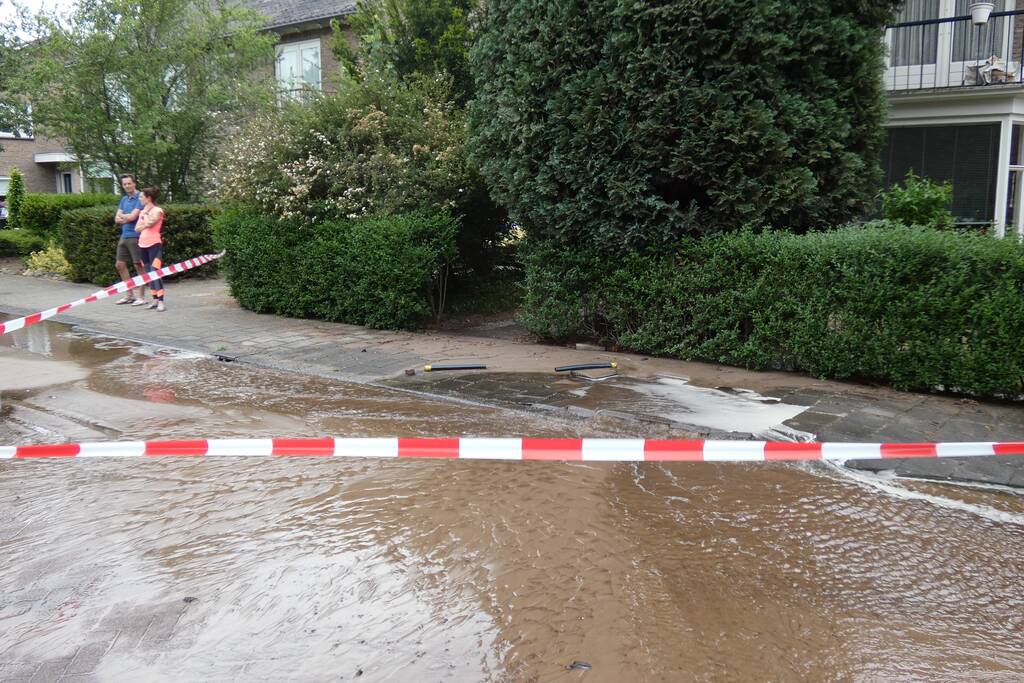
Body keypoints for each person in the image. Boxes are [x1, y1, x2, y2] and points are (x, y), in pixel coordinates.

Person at [113, 174, 147, 306]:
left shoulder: (140, 198)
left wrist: (124, 216)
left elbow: (133, 217)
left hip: (136, 236)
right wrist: (125, 217)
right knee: (119, 265)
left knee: (138, 265)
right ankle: (129, 294)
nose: (127, 186)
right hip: (124, 236)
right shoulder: (124, 199)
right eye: (124, 184)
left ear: (134, 183)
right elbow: (117, 219)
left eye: (129, 183)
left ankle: (141, 297)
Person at [136, 186, 166, 311]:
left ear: (148, 198)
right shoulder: (142, 212)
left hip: (154, 244)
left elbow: (151, 223)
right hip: (142, 244)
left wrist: (145, 220)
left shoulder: (158, 210)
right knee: (148, 272)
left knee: (155, 271)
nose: (140, 199)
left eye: (141, 197)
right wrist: (144, 221)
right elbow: (136, 228)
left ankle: (161, 301)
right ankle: (154, 299)